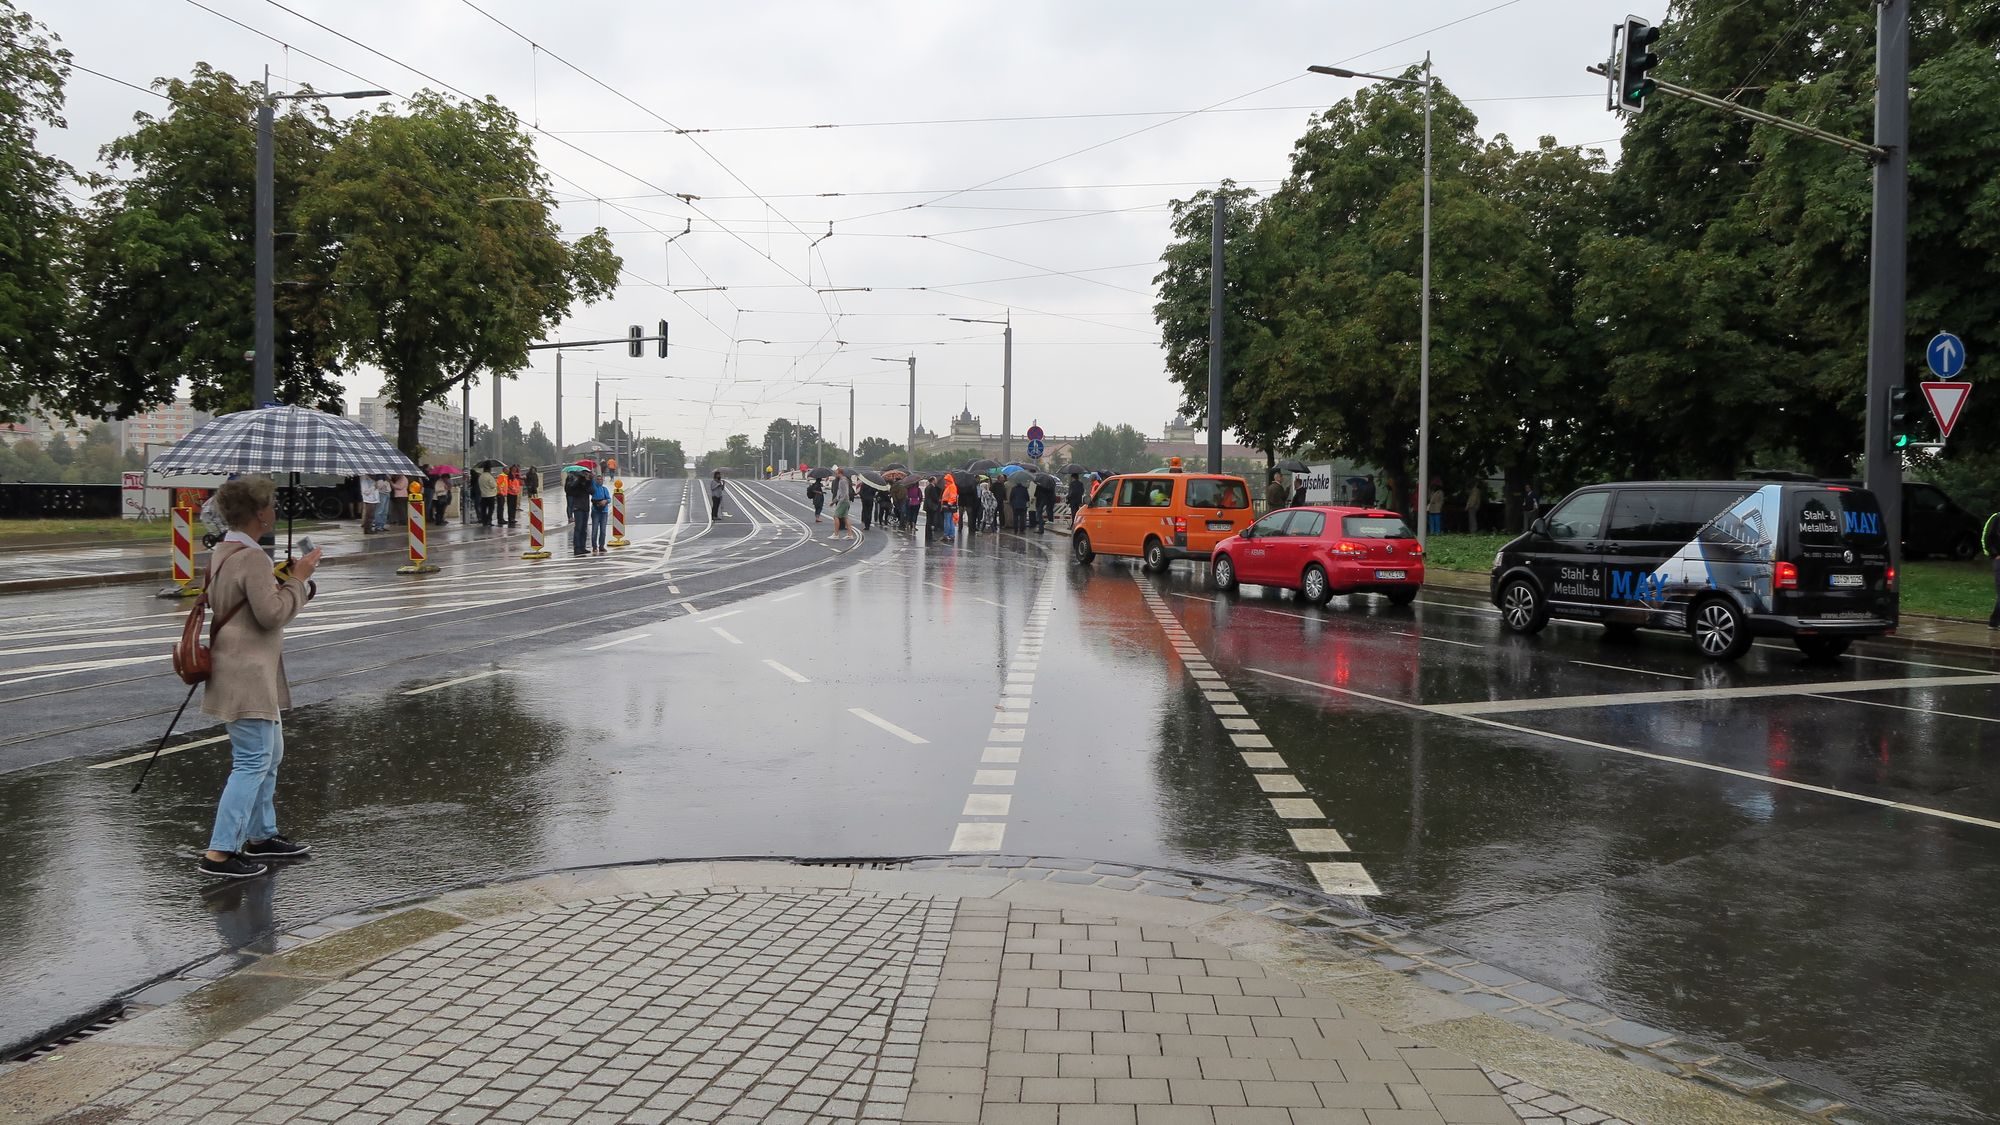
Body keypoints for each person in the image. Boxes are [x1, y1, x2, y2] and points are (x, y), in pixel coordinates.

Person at [197, 477, 320, 879]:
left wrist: (285, 580)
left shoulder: (228, 548)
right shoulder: (251, 558)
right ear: (260, 514)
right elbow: (271, 615)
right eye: (271, 505)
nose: (275, 511)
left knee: (270, 755)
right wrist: (300, 578)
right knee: (252, 762)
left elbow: (252, 601)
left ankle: (261, 835)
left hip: (245, 667)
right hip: (245, 671)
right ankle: (220, 852)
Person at [565, 468, 592, 556]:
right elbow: (571, 489)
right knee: (578, 528)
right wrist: (579, 480)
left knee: (584, 528)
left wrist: (589, 480)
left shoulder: (586, 482)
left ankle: (582, 547)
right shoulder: (573, 480)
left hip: (585, 507)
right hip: (578, 507)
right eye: (584, 473)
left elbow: (591, 491)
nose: (585, 475)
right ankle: (577, 548)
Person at [590, 472, 612, 554]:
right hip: (595, 511)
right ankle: (594, 546)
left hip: (604, 512)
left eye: (600, 479)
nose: (599, 481)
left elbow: (609, 499)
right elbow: (591, 482)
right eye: (597, 479)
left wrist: (605, 501)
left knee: (603, 530)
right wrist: (592, 475)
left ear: (603, 481)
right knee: (595, 529)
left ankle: (601, 546)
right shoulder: (594, 488)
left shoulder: (604, 489)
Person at [830, 468, 853, 540]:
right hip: (845, 501)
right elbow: (839, 492)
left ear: (840, 473)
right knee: (845, 517)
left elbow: (844, 492)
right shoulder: (843, 480)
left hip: (843, 501)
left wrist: (841, 500)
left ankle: (836, 534)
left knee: (835, 516)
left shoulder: (842, 481)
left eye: (836, 473)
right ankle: (850, 534)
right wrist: (834, 501)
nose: (835, 474)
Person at [940, 473, 960, 543]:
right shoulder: (950, 486)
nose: (945, 481)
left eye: (946, 480)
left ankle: (946, 535)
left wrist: (949, 503)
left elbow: (952, 496)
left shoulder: (951, 486)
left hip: (948, 505)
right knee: (950, 520)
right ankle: (951, 535)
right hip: (950, 505)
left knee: (947, 521)